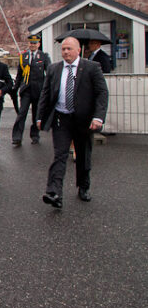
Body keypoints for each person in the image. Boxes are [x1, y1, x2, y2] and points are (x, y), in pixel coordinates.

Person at [37, 37, 108, 208]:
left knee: (83, 155)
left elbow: (102, 93)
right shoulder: (54, 69)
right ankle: (54, 192)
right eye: (63, 49)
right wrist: (40, 117)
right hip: (61, 119)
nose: (66, 52)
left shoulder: (91, 68)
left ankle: (83, 186)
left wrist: (98, 117)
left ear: (78, 50)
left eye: (69, 49)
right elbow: (45, 95)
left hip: (83, 121)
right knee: (60, 155)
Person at [12, 34, 51, 146]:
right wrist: (15, 88)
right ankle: (17, 137)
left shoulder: (43, 56)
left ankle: (35, 135)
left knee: (36, 114)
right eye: (31, 43)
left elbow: (48, 74)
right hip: (26, 90)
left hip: (38, 89)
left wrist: (47, 89)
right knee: (22, 113)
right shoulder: (23, 57)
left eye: (35, 43)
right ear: (28, 43)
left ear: (38, 44)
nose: (32, 45)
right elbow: (20, 74)